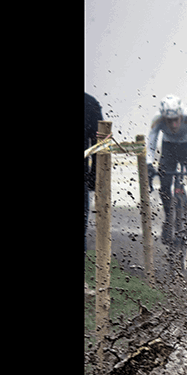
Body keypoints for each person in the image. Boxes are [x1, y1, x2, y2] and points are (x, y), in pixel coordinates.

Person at [147, 95, 187, 247]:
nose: (173, 124)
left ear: (181, 115)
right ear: (163, 117)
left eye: (176, 120)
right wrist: (148, 163)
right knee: (164, 183)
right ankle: (168, 221)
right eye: (169, 121)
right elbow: (152, 141)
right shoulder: (157, 119)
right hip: (169, 147)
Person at [85, 92, 103, 261]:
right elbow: (100, 145)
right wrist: (93, 179)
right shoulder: (89, 102)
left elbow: (100, 144)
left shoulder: (89, 103)